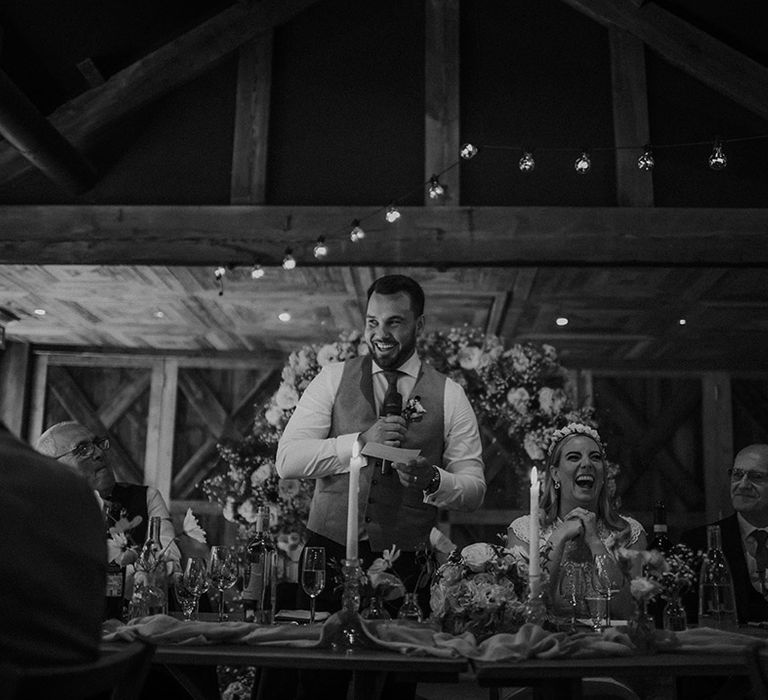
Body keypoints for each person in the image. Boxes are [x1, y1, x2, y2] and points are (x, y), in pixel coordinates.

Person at [274, 274, 485, 700]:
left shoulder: (449, 394)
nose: (380, 335)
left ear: (419, 325)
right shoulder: (334, 378)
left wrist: (433, 480)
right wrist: (358, 443)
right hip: (328, 551)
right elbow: (287, 460)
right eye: (372, 323)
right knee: (318, 682)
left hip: (405, 561)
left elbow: (474, 487)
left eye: (394, 323)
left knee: (394, 686)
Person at [507, 422, 646, 620]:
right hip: (549, 642)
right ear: (555, 474)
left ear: (604, 475)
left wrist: (595, 542)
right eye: (574, 457)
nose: (587, 464)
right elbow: (526, 607)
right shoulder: (524, 531)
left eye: (595, 458)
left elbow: (629, 612)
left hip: (611, 645)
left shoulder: (630, 533)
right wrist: (559, 536)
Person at [0, 419, 105, 666]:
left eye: (95, 446)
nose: (99, 453)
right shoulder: (78, 492)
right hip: (76, 678)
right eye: (83, 449)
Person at [36, 421, 181, 576]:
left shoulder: (146, 498)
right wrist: (138, 572)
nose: (99, 453)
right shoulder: (41, 513)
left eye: (97, 443)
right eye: (82, 449)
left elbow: (171, 565)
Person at [681, 444, 768, 623]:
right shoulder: (697, 543)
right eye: (737, 475)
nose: (743, 485)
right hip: (728, 647)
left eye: (756, 477)